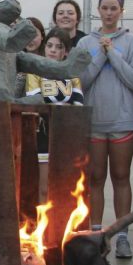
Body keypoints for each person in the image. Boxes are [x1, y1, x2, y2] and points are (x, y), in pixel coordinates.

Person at [79, 0, 133, 258]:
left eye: (113, 8)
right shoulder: (85, 43)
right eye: (104, 8)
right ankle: (96, 234)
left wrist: (113, 54)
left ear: (121, 11)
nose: (108, 13)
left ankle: (121, 234)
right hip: (93, 121)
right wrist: (101, 54)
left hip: (123, 122)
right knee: (95, 178)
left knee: (121, 177)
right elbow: (80, 82)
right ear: (98, 10)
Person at [23, 28, 84, 202]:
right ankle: (44, 226)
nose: (53, 50)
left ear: (66, 52)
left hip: (67, 134)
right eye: (50, 45)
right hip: (43, 132)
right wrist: (62, 102)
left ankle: (62, 225)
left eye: (59, 47)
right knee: (43, 187)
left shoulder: (72, 75)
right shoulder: (35, 72)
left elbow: (78, 105)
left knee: (65, 186)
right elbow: (35, 100)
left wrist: (52, 102)